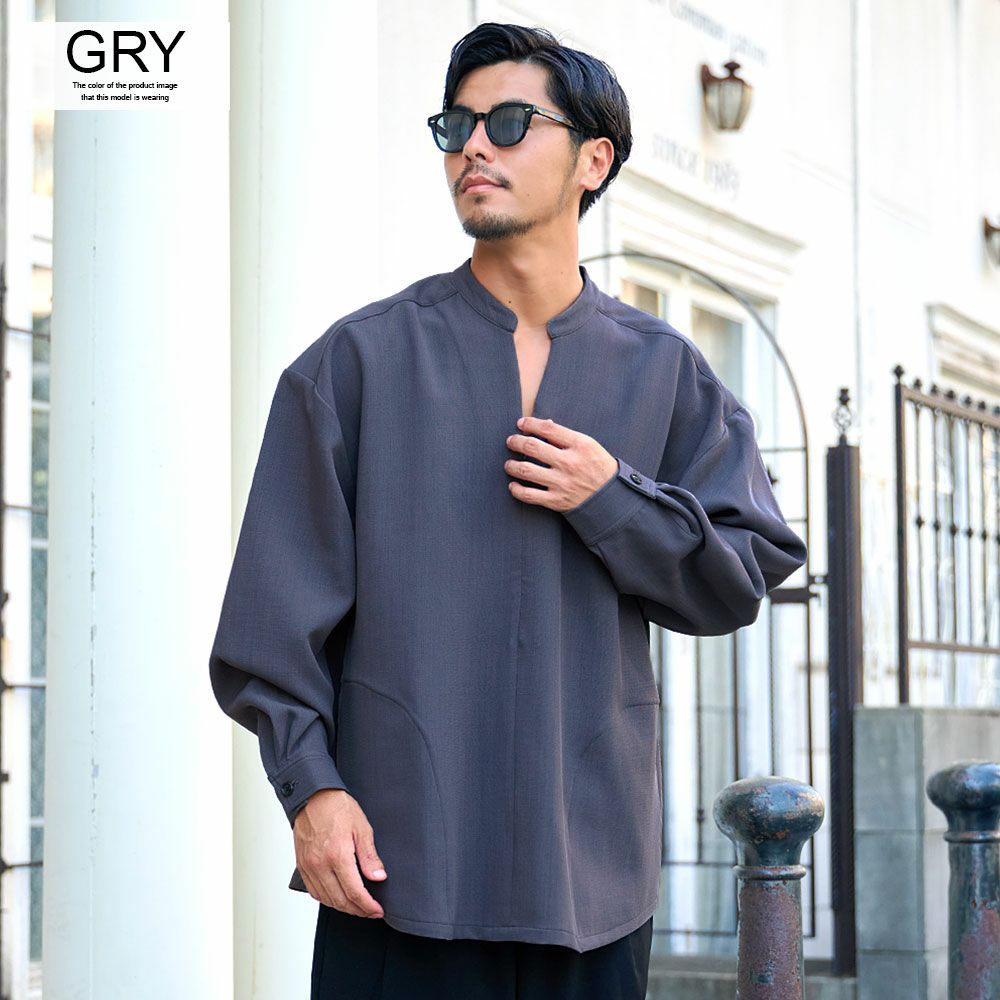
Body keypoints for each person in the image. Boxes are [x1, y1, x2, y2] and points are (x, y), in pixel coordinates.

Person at [208, 20, 808, 1000]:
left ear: (593, 159)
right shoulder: (354, 366)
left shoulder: (664, 371)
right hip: (394, 878)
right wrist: (312, 791)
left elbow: (741, 573)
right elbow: (268, 633)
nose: (473, 147)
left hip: (590, 883)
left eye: (510, 123)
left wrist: (612, 498)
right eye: (456, 126)